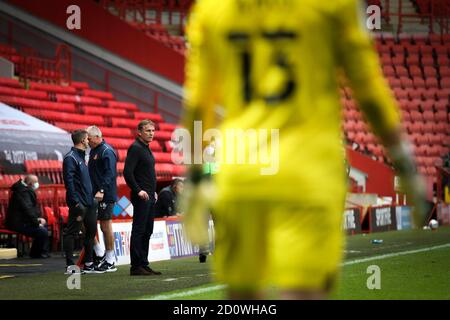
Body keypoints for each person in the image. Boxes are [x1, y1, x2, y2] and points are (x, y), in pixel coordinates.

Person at [181, 0, 427, 300]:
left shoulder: (211, 9)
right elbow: (369, 92)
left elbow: (197, 103)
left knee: (243, 296)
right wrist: (405, 163)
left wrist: (194, 177)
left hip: (241, 168)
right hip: (307, 170)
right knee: (304, 291)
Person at [63, 129, 105, 274]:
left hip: (89, 202)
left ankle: (88, 263)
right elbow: (69, 182)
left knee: (91, 233)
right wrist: (75, 202)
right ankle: (70, 266)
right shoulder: (71, 158)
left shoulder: (82, 157)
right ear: (82, 141)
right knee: (71, 232)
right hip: (79, 203)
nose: (89, 141)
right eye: (87, 139)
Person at [124, 119, 162, 276]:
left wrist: (153, 190)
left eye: (153, 131)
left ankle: (144, 263)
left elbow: (146, 173)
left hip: (150, 195)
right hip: (141, 196)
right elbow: (128, 172)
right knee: (139, 230)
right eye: (148, 131)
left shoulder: (146, 149)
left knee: (147, 230)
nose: (151, 133)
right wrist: (138, 190)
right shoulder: (136, 148)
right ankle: (136, 266)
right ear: (139, 132)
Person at [87, 125, 118, 272]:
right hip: (94, 194)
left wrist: (101, 190)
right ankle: (100, 252)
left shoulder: (107, 151)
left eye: (89, 138)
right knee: (90, 223)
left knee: (105, 225)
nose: (87, 141)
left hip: (105, 194)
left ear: (97, 137)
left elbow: (110, 173)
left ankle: (110, 259)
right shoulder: (94, 150)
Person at [5, 174, 50, 259]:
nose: (37, 184)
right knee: (42, 231)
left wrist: (38, 219)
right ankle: (36, 254)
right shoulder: (23, 192)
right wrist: (37, 223)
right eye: (36, 182)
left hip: (24, 220)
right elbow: (28, 209)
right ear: (30, 183)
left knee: (44, 225)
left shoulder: (24, 190)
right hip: (17, 223)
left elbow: (30, 210)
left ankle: (42, 252)